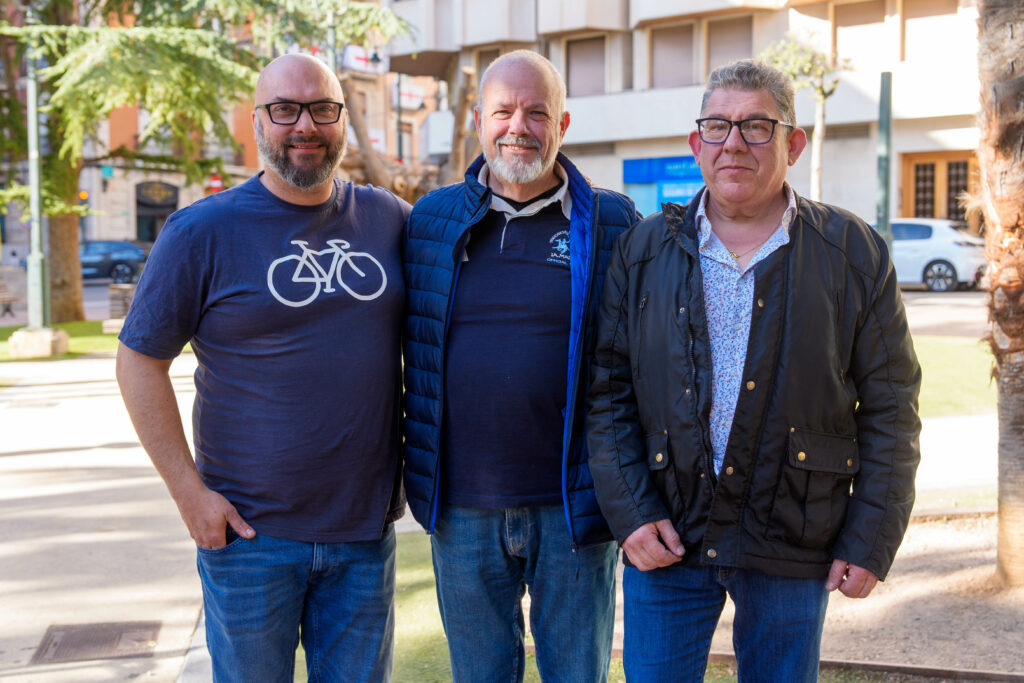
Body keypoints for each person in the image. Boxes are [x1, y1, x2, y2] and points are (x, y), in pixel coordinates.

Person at [586, 59, 922, 683]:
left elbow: (891, 407)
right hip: (668, 536)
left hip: (792, 535)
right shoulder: (644, 249)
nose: (734, 143)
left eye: (757, 127)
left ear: (793, 143)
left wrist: (871, 535)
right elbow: (607, 392)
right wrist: (631, 512)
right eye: (718, 126)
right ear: (696, 144)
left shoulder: (853, 252)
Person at [115, 53, 409, 683]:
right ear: (257, 122)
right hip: (249, 538)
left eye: (322, 109)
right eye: (285, 110)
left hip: (362, 534)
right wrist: (190, 495)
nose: (305, 125)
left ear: (342, 121)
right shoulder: (201, 231)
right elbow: (139, 361)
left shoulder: (388, 219)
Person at [401, 50, 638, 682]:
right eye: (503, 110)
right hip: (461, 509)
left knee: (576, 674)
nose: (518, 126)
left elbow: (643, 357)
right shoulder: (430, 221)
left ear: (563, 122)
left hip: (574, 512)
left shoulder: (612, 221)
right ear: (479, 119)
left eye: (537, 112)